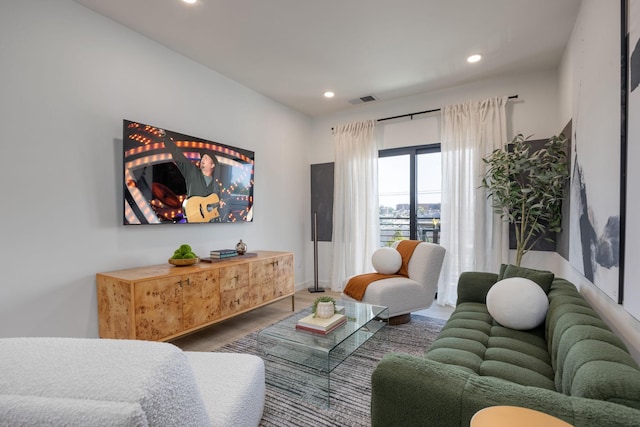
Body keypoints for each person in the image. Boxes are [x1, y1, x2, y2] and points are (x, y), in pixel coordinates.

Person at [159, 129, 227, 222]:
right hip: (192, 222)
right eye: (202, 157)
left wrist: (218, 205)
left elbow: (211, 209)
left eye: (206, 158)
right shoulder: (192, 172)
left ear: (212, 165)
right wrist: (165, 137)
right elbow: (178, 155)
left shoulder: (216, 187)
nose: (202, 159)